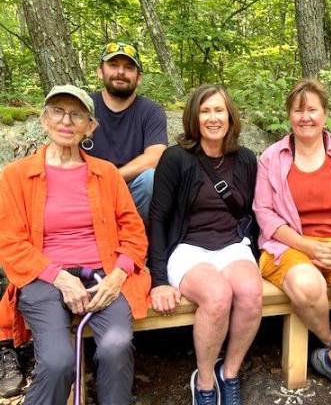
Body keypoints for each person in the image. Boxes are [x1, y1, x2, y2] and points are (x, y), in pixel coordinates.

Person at [0, 85, 150, 405]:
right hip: (43, 277)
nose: (66, 121)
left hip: (102, 274)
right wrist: (58, 276)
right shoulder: (16, 176)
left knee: (116, 346)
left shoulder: (105, 174)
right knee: (58, 361)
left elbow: (134, 230)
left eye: (77, 114)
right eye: (57, 111)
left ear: (90, 126)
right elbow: (10, 242)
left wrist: (118, 276)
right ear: (44, 119)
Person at [253, 79, 331, 401]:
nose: (305, 117)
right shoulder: (272, 157)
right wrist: (307, 246)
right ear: (289, 116)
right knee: (308, 286)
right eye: (298, 110)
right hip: (289, 244)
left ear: (324, 114)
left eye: (312, 109)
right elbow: (265, 213)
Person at [148, 85, 261, 405]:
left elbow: (254, 213)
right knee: (217, 295)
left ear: (230, 116)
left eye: (219, 110)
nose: (213, 118)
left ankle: (231, 373)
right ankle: (207, 381)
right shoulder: (175, 158)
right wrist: (157, 280)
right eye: (205, 111)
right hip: (188, 248)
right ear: (194, 118)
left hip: (232, 245)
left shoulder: (246, 159)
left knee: (251, 295)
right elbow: (157, 219)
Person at [85, 41, 168, 225]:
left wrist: (111, 177)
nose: (121, 72)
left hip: (131, 190)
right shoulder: (83, 106)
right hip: (87, 188)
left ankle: (139, 241)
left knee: (150, 180)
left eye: (129, 67)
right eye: (113, 65)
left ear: (138, 77)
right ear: (100, 71)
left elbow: (155, 157)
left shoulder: (151, 111)